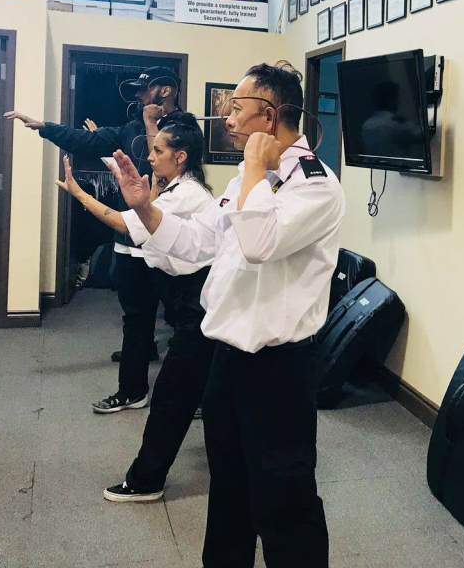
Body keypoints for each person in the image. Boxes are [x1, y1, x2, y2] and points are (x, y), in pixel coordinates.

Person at [110, 61, 343, 568]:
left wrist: (258, 170)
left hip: (279, 368)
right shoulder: (245, 178)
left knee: (285, 501)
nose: (228, 119)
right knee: (229, 491)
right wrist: (145, 209)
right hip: (227, 359)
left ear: (273, 114)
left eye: (238, 109)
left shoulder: (316, 186)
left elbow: (260, 244)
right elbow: (200, 243)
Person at [5, 65, 188, 413]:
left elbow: (163, 173)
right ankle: (133, 389)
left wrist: (153, 125)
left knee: (184, 319)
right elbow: (85, 140)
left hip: (169, 240)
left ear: (164, 91)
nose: (137, 96)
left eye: (142, 90)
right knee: (135, 319)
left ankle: (189, 392)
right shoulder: (128, 128)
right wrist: (43, 127)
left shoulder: (186, 129)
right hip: (130, 239)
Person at [54, 120, 216, 502]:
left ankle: (146, 480)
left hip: (203, 299)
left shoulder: (186, 195)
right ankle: (233, 460)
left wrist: (78, 192)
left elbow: (126, 223)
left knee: (171, 396)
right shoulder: (172, 187)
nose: (150, 156)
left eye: (158, 151)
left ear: (181, 157)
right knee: (212, 388)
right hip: (189, 295)